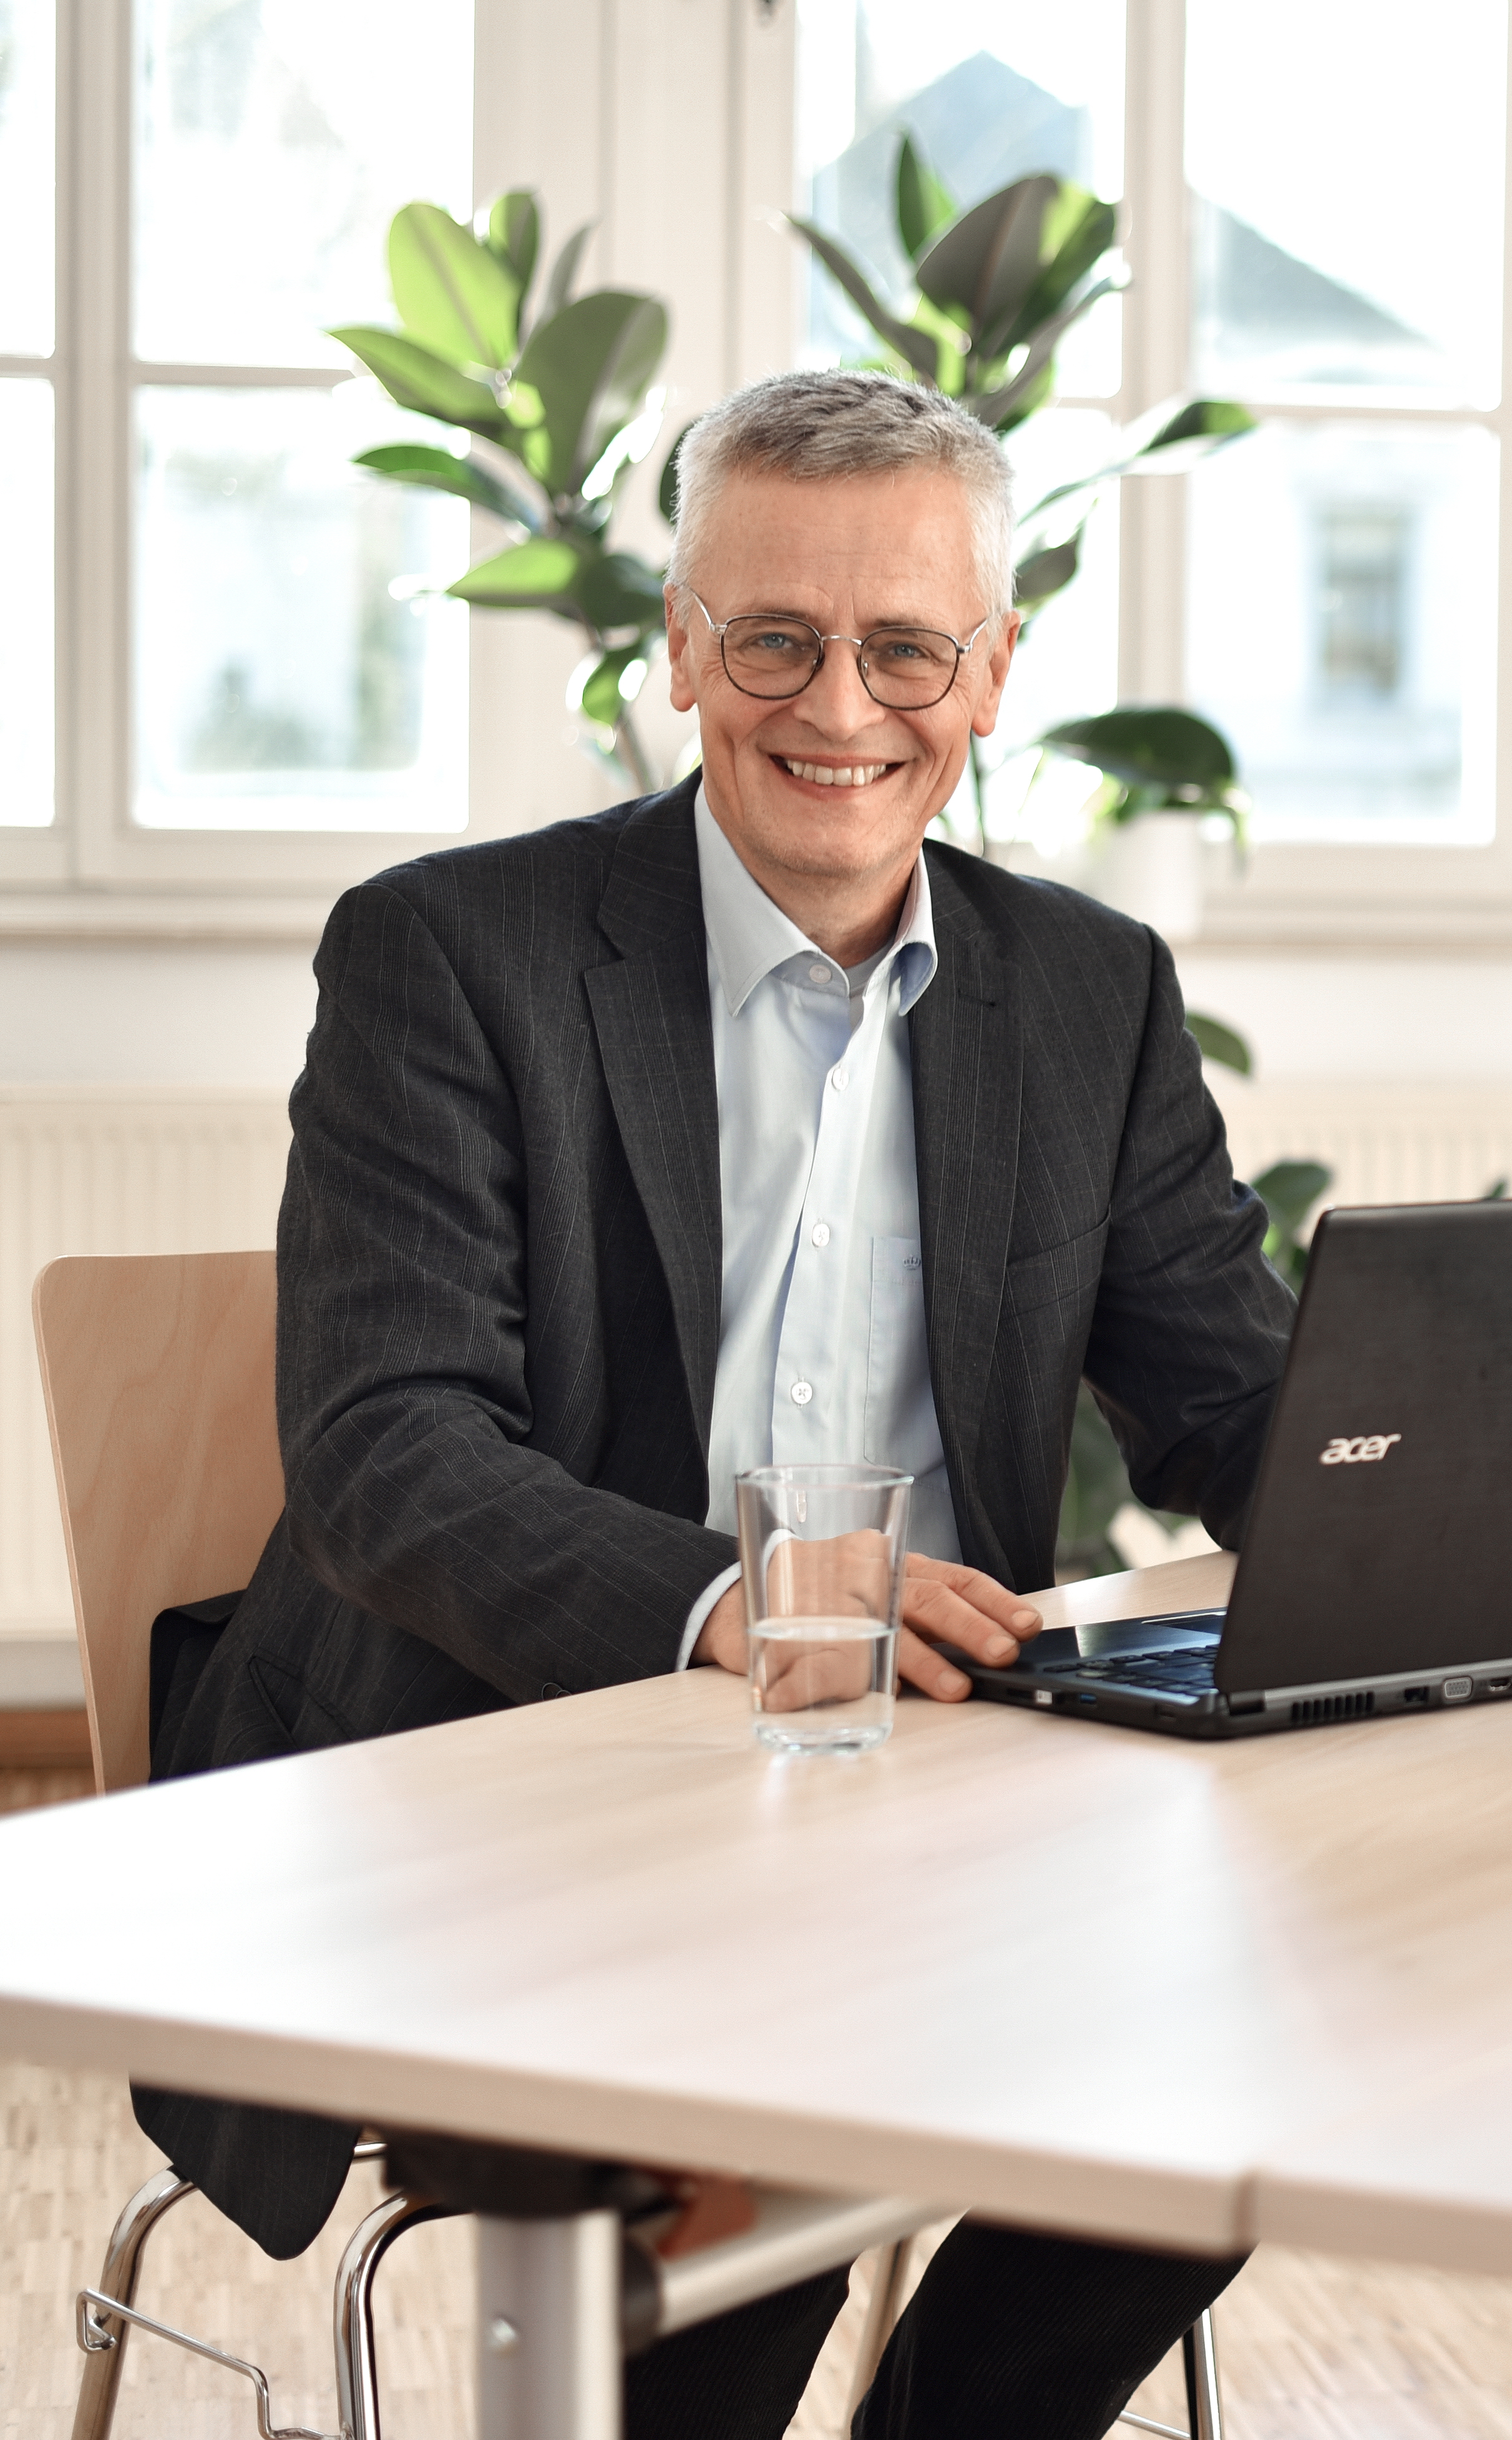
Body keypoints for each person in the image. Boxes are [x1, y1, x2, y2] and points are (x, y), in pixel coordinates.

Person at [139, 369, 1291, 2438]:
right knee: (782, 2090)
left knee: (1257, 2034)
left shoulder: (1091, 992)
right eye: (774, 637)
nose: (838, 703)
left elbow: (1228, 1400)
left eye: (903, 647)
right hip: (510, 1768)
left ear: (992, 670)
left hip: (933, 1791)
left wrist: (1467, 1473)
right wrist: (741, 1599)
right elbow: (385, 1450)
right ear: (681, 650)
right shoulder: (448, 957)